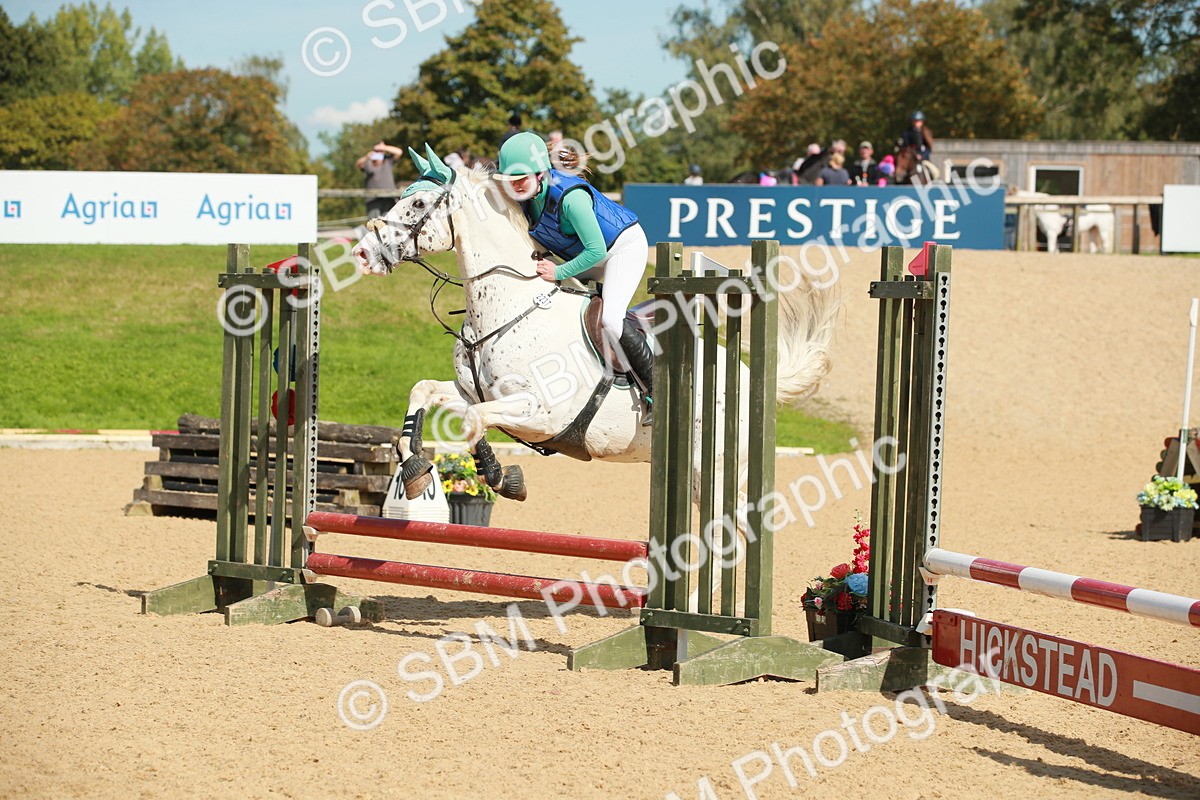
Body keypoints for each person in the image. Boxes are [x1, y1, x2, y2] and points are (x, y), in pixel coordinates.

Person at [491, 131, 655, 423]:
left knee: (610, 320)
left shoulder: (571, 198)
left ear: (541, 173)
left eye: (521, 179)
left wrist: (558, 272)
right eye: (510, 180)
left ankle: (657, 390)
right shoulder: (528, 196)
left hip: (620, 249)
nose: (515, 186)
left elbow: (595, 250)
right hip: (587, 256)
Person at [355, 141, 404, 219]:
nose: (379, 152)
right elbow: (358, 164)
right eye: (377, 151)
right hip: (373, 199)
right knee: (373, 224)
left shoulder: (388, 160)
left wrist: (384, 147)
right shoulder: (368, 162)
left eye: (381, 151)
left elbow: (399, 152)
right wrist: (368, 156)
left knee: (389, 224)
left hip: (389, 198)